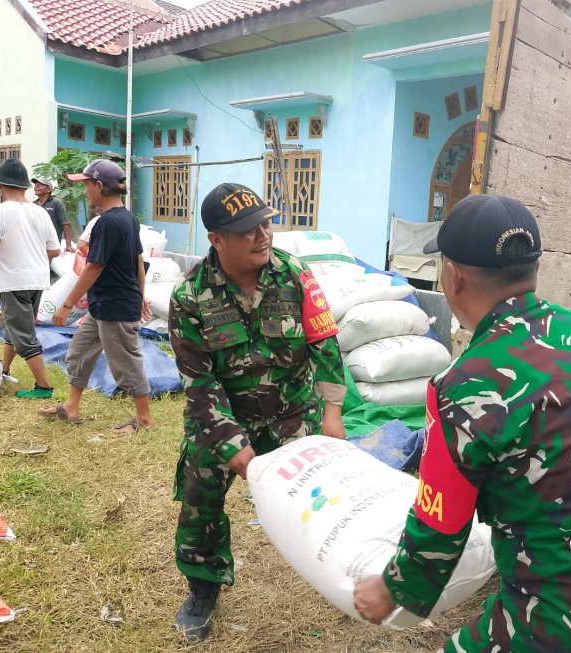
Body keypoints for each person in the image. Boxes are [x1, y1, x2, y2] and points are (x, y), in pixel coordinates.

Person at [353, 194, 571, 652]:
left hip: (569, 628)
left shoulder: (462, 386)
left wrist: (391, 590)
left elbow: (441, 524)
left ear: (453, 275)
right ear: (535, 268)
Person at [168, 182, 346, 642]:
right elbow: (200, 386)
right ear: (217, 240)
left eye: (265, 223)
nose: (262, 235)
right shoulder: (189, 297)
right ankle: (203, 587)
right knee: (199, 495)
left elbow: (323, 343)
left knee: (327, 496)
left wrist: (332, 412)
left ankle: (345, 574)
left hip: (292, 413)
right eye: (247, 230)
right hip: (227, 416)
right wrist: (234, 447)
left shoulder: (294, 274)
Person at [38, 159, 154, 434]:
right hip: (102, 305)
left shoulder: (107, 223)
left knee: (126, 362)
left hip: (115, 307)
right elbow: (138, 261)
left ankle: (144, 420)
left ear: (100, 186)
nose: (85, 191)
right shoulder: (128, 219)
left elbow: (93, 266)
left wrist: (66, 305)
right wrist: (142, 295)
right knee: (79, 352)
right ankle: (72, 407)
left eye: (87, 185)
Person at [0, 158, 61, 399]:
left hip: (13, 281)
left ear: (1, 186)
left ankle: (43, 387)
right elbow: (54, 251)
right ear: (25, 187)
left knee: (24, 335)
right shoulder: (40, 212)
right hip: (38, 280)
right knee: (16, 328)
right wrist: (31, 255)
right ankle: (4, 370)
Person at [32, 176, 75, 252]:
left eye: (39, 185)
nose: (36, 187)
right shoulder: (33, 204)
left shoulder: (56, 203)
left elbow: (65, 224)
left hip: (52, 246)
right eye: (35, 185)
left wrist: (68, 245)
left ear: (48, 189)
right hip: (36, 246)